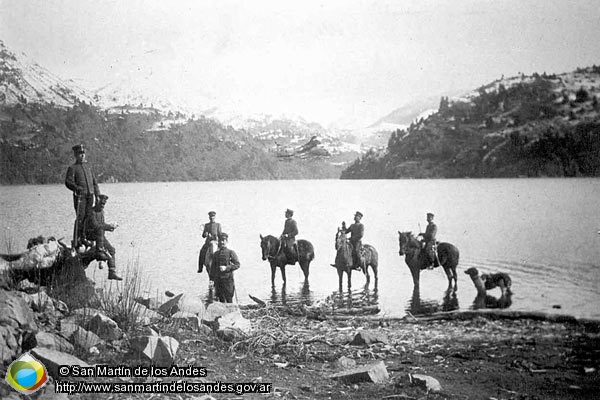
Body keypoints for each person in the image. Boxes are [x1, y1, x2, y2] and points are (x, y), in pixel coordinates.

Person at [65, 144, 101, 248]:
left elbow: (94, 182)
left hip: (90, 196)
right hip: (80, 197)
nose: (82, 156)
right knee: (80, 217)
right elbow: (68, 182)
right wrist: (76, 188)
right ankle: (77, 240)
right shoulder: (72, 168)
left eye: (83, 153)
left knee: (88, 217)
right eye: (80, 154)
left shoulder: (88, 167)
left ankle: (84, 238)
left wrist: (97, 195)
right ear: (76, 155)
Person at [85, 194, 122, 280]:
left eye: (104, 204)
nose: (102, 206)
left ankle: (112, 272)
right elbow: (95, 226)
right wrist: (107, 227)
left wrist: (110, 227)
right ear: (97, 202)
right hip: (91, 234)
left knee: (112, 250)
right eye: (101, 204)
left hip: (100, 236)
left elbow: (102, 225)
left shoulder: (101, 212)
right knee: (100, 230)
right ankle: (99, 251)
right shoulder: (91, 212)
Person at [211, 233, 240, 303]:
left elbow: (237, 265)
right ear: (219, 242)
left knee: (229, 300)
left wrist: (226, 268)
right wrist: (211, 280)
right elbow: (213, 268)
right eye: (221, 240)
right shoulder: (216, 254)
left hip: (228, 281)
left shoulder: (231, 252)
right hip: (218, 281)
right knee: (221, 301)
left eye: (224, 240)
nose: (222, 242)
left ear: (227, 241)